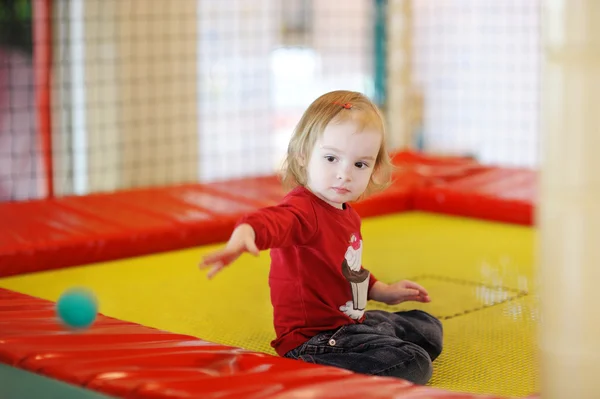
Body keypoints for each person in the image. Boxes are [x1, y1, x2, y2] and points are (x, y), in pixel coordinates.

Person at [199, 90, 443, 384]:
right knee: (415, 362)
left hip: (347, 323)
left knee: (428, 328)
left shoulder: (345, 212)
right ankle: (321, 374)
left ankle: (368, 348)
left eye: (359, 164)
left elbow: (347, 271)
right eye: (331, 158)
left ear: (373, 169)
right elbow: (272, 220)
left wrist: (382, 291)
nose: (344, 174)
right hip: (311, 341)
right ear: (303, 156)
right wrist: (245, 232)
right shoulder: (303, 210)